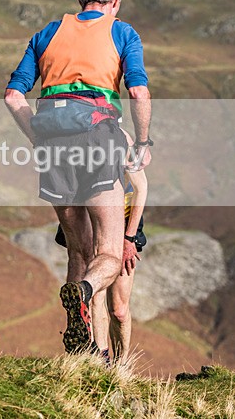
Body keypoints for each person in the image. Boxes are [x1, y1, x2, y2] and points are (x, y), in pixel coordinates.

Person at [4, 0, 152, 353]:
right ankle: (86, 292)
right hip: (98, 138)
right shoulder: (122, 33)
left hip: (52, 141)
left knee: (77, 250)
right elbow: (137, 91)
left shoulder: (47, 33)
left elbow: (13, 94)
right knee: (105, 252)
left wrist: (35, 134)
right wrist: (141, 143)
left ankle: (89, 353)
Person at [55, 129, 148, 364]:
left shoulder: (120, 137)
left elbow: (141, 189)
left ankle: (122, 364)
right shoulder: (69, 134)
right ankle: (101, 359)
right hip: (90, 222)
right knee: (93, 295)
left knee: (118, 309)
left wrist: (129, 238)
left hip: (123, 223)